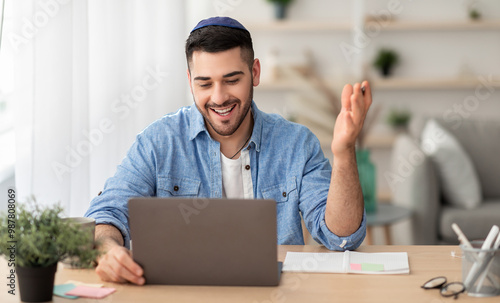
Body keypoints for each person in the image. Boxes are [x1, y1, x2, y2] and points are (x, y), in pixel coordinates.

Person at [84, 16, 372, 285]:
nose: (219, 97)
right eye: (205, 84)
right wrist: (106, 250)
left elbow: (341, 237)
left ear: (254, 72)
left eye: (232, 80)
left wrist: (344, 151)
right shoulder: (158, 142)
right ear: (190, 82)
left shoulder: (297, 143)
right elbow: (106, 214)